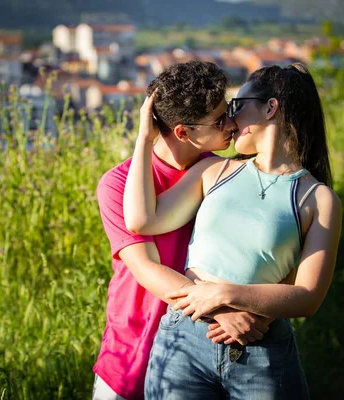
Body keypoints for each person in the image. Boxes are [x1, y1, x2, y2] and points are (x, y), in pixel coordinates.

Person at [123, 63, 343, 399]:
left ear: (271, 108)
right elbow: (142, 220)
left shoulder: (318, 199)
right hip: (185, 339)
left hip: (259, 347)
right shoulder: (214, 170)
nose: (230, 120)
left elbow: (309, 297)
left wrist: (226, 294)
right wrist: (145, 137)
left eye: (237, 107)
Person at [93, 61, 270, 400]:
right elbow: (146, 268)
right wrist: (222, 308)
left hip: (205, 346)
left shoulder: (221, 172)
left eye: (229, 111)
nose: (232, 124)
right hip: (134, 344)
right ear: (183, 132)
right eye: (219, 120)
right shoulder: (117, 184)